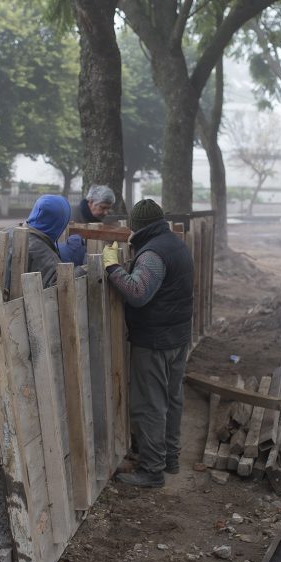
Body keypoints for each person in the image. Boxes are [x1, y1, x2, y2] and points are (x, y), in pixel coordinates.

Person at [103, 199, 193, 488]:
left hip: (155, 340)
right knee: (171, 399)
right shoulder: (174, 244)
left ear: (137, 226)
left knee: (150, 405)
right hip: (177, 336)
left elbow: (138, 292)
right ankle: (170, 459)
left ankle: (152, 471)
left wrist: (113, 267)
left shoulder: (153, 253)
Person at [2, 194, 75, 288]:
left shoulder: (7, 232)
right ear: (60, 224)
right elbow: (60, 289)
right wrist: (82, 271)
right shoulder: (45, 255)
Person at [62, 185, 117, 266]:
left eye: (108, 209)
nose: (106, 213)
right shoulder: (71, 216)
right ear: (91, 202)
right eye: (102, 207)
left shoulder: (101, 219)